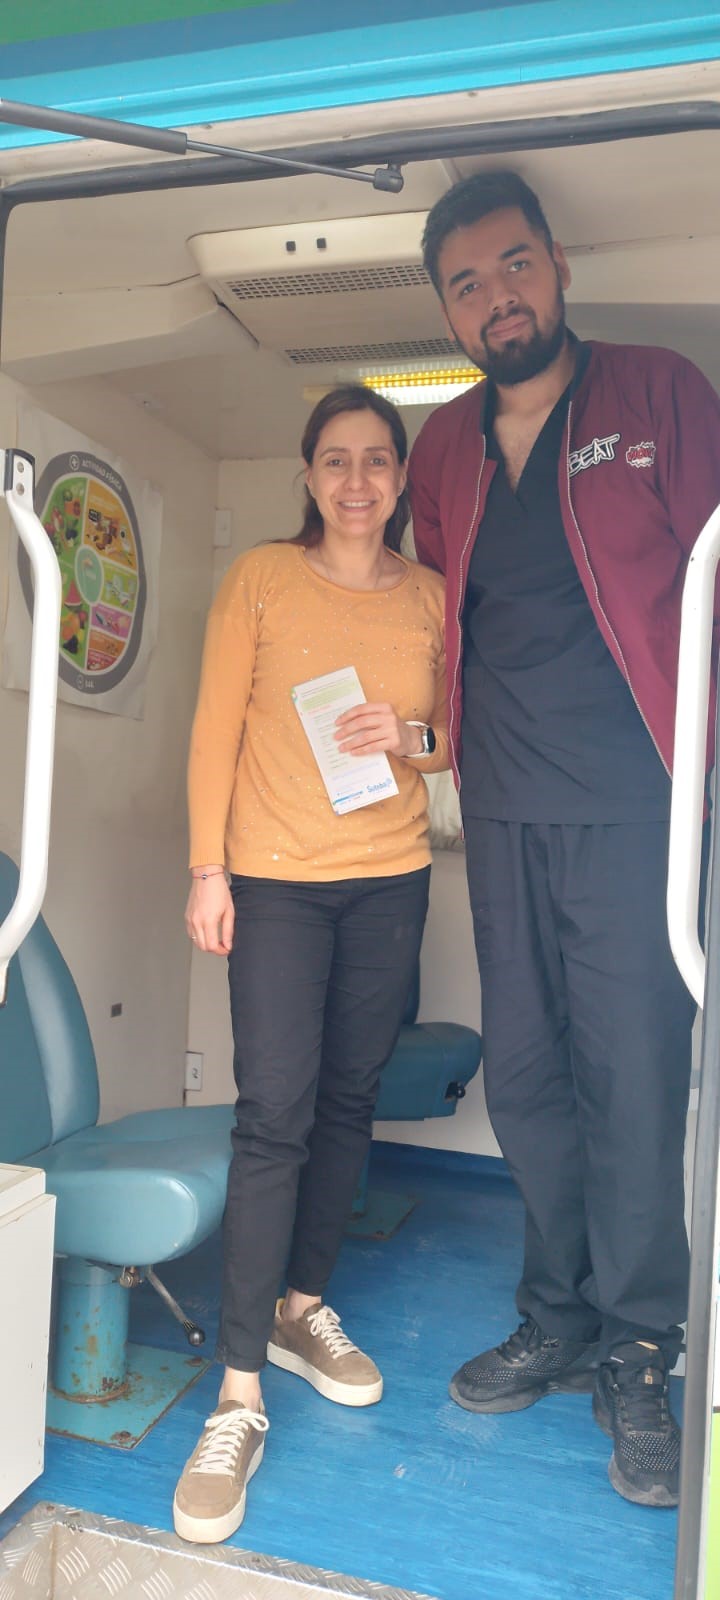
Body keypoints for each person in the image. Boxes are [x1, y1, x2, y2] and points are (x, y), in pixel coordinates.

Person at [408, 170, 720, 1508]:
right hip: (503, 808)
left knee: (633, 1075)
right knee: (530, 1075)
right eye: (467, 284)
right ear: (449, 312)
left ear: (559, 266)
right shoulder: (441, 448)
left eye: (514, 265)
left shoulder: (660, 393)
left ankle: (644, 1344)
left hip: (641, 802)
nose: (498, 298)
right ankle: (561, 1313)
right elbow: (430, 615)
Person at [173, 384, 448, 1544]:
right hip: (276, 879)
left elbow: (457, 736)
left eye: (377, 459)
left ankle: (302, 1306)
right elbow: (214, 729)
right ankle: (238, 1394)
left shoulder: (431, 596)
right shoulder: (262, 579)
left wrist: (411, 737)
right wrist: (209, 870)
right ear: (307, 475)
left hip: (391, 876)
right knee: (273, 1113)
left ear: (400, 477)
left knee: (348, 1099)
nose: (356, 480)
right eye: (335, 459)